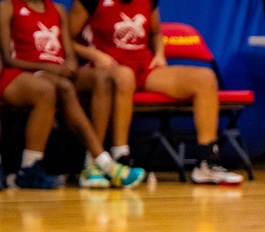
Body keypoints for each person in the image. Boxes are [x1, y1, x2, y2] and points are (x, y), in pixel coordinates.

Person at [67, 0, 243, 185]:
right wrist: (96, 55)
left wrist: (159, 54)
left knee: (205, 79)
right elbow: (67, 40)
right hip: (106, 68)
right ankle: (120, 156)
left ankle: (207, 164)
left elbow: (156, 32)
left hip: (143, 68)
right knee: (125, 76)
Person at [0, 0, 144, 188]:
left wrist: (68, 67)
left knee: (101, 79)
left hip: (55, 74)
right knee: (51, 89)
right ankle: (29, 169)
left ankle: (93, 163)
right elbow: (8, 59)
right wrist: (47, 68)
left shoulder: (57, 10)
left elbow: (69, 54)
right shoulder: (8, 6)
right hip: (21, 74)